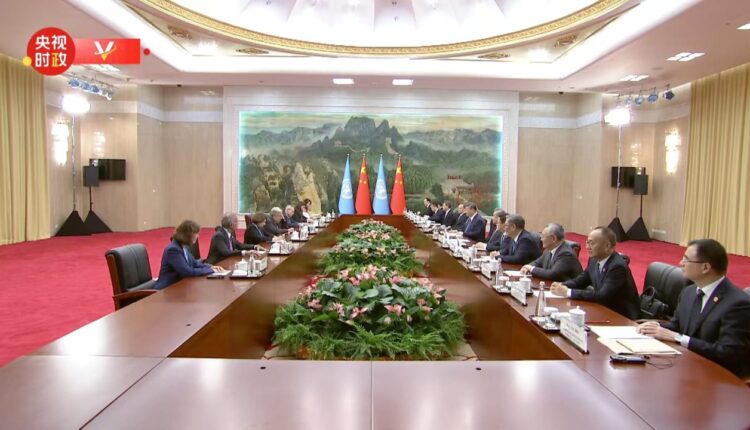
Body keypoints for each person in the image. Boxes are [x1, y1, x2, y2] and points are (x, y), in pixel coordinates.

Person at [637, 239, 750, 378]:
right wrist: (654, 327)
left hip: (720, 377)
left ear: (705, 268)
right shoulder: (689, 292)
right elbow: (676, 325)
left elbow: (728, 353)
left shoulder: (737, 303)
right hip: (688, 366)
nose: (680, 263)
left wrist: (678, 338)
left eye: (686, 259)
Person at [550, 227, 639, 319]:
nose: (587, 247)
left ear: (607, 246)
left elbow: (603, 296)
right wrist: (561, 285)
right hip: (602, 309)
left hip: (621, 316)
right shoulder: (594, 259)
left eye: (592, 243)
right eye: (587, 243)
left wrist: (568, 292)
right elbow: (580, 281)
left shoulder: (617, 267)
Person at [154, 220, 223, 290]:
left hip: (180, 286)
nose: (198, 236)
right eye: (196, 233)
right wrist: (210, 270)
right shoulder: (173, 250)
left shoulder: (183, 246)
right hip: (167, 290)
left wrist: (211, 267)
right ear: (187, 235)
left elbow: (195, 263)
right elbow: (187, 271)